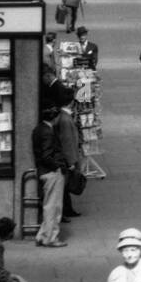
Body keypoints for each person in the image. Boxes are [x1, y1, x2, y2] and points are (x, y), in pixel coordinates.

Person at [32, 108, 68, 248]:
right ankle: (51, 238)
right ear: (55, 117)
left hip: (43, 171)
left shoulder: (38, 129)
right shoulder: (48, 132)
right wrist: (58, 166)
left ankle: (42, 235)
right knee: (54, 207)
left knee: (49, 205)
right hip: (51, 172)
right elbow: (47, 156)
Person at [54, 88, 83, 220]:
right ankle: (65, 211)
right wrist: (71, 161)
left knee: (64, 187)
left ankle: (68, 209)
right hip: (68, 158)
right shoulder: (65, 120)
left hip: (66, 157)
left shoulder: (64, 116)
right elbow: (67, 141)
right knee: (65, 186)